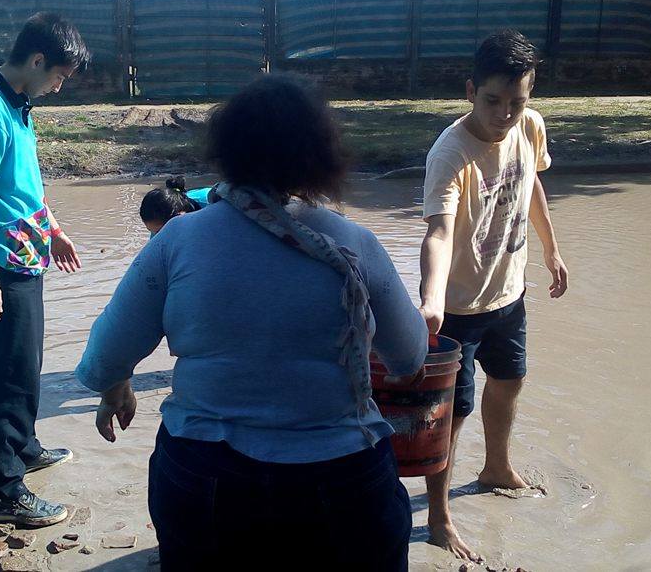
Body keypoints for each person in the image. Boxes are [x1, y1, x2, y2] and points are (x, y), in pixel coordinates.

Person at [76, 74, 427, 570]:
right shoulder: (354, 244)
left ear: (228, 152)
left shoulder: (178, 240)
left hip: (205, 477)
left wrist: (117, 389)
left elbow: (104, 358)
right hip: (344, 480)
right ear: (320, 156)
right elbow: (410, 357)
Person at [418, 30, 569, 560]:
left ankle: (496, 467)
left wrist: (551, 248)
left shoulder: (530, 125)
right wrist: (432, 301)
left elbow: (530, 184)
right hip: (456, 310)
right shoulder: (450, 153)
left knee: (510, 381)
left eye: (516, 101)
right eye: (492, 101)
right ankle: (439, 517)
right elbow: (436, 233)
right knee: (450, 416)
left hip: (509, 294)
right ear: (470, 91)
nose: (504, 114)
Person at [0, 11, 89, 526]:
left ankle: (24, 447)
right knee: (9, 376)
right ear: (36, 60)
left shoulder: (19, 104)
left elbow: (25, 182)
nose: (59, 86)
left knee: (26, 365)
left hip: (28, 256)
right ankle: (4, 492)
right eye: (58, 75)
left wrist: (53, 228)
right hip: (3, 267)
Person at [138, 175, 211, 235]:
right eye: (150, 230)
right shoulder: (157, 228)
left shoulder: (210, 201)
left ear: (180, 215)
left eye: (159, 232)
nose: (157, 236)